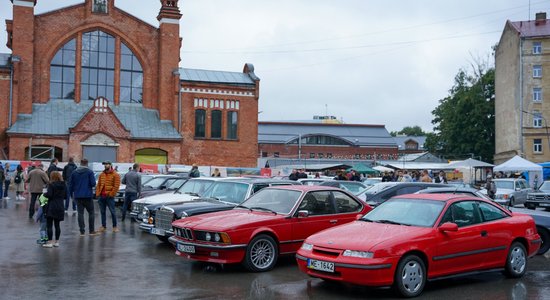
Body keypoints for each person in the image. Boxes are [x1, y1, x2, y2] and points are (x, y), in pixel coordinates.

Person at [70, 158, 98, 236]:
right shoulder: (89, 172)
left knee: (80, 213)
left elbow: (71, 185)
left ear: (80, 163)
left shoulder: (74, 172)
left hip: (78, 196)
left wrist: (71, 195)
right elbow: (93, 183)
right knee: (91, 213)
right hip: (88, 195)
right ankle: (91, 231)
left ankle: (82, 231)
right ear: (87, 163)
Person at [41, 171, 66, 248]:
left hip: (52, 206)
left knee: (49, 225)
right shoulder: (64, 184)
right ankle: (57, 242)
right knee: (57, 225)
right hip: (60, 206)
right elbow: (66, 196)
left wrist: (44, 193)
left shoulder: (51, 185)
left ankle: (50, 242)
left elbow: (49, 195)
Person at [95, 161, 121, 233]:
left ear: (110, 165)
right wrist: (98, 193)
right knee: (102, 212)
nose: (105, 166)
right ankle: (103, 226)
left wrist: (111, 194)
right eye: (104, 164)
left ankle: (114, 227)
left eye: (107, 164)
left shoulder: (115, 175)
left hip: (109, 197)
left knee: (113, 212)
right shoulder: (102, 174)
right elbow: (98, 185)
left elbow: (116, 186)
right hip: (101, 197)